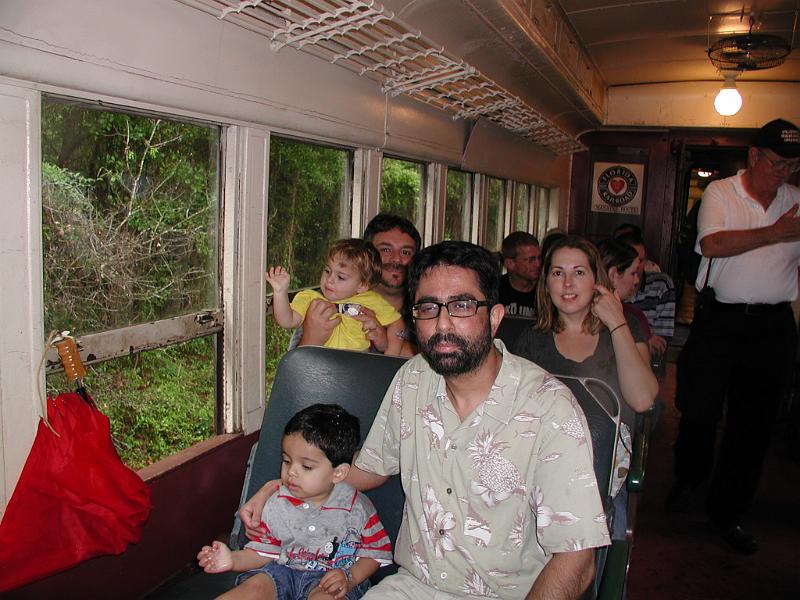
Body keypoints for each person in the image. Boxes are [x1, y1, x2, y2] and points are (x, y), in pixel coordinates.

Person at [241, 241, 611, 599]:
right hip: (412, 587)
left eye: (462, 305)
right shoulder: (413, 378)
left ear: (494, 317)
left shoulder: (550, 408)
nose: (443, 324)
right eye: (428, 308)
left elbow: (577, 558)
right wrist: (281, 484)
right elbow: (370, 469)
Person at [667, 118, 800, 555]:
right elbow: (713, 245)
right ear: (754, 157)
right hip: (721, 320)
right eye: (777, 164)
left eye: (792, 167)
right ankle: (689, 479)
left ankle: (728, 513)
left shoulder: (797, 201)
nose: (784, 174)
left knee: (754, 426)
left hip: (772, 326)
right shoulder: (722, 193)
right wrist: (776, 233)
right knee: (700, 411)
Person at [512, 235, 658, 540]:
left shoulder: (623, 330)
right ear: (546, 283)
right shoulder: (531, 339)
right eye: (557, 273)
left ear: (596, 281)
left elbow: (643, 400)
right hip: (543, 476)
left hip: (602, 478)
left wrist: (616, 322)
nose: (567, 284)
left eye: (579, 272)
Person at [197, 404, 393, 600]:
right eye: (287, 461)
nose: (291, 472)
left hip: (331, 578)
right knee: (255, 586)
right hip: (283, 572)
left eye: (306, 466)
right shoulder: (276, 503)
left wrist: (350, 577)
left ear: (338, 472)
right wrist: (231, 560)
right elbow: (265, 553)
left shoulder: (357, 509)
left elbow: (375, 552)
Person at [295, 215, 421, 355]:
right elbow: (295, 372)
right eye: (385, 250)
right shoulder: (323, 302)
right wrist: (311, 339)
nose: (396, 259)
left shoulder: (427, 311)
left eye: (406, 252)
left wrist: (389, 345)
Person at [267, 238, 404, 355]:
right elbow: (287, 320)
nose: (329, 279)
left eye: (341, 277)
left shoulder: (370, 300)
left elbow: (397, 323)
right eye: (327, 271)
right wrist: (280, 293)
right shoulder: (310, 299)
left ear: (362, 285)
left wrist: (389, 354)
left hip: (358, 365)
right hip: (321, 363)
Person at [616, 231, 675, 360]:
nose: (637, 267)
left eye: (641, 260)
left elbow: (660, 345)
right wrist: (645, 339)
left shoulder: (660, 285)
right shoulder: (600, 298)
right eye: (631, 262)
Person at [498, 231, 541, 317]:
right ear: (510, 263)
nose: (538, 264)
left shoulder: (545, 291)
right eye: (531, 260)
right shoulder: (495, 290)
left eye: (539, 258)